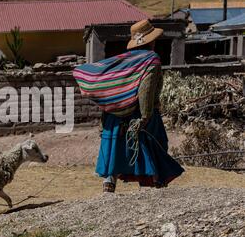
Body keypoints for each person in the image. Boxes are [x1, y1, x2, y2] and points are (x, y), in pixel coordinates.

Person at [75, 19, 184, 193]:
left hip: (114, 116)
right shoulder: (151, 60)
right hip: (139, 114)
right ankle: (152, 184)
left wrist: (104, 120)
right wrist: (145, 117)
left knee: (115, 149)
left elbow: (110, 92)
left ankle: (109, 183)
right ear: (151, 41)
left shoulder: (121, 61)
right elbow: (145, 90)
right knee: (153, 145)